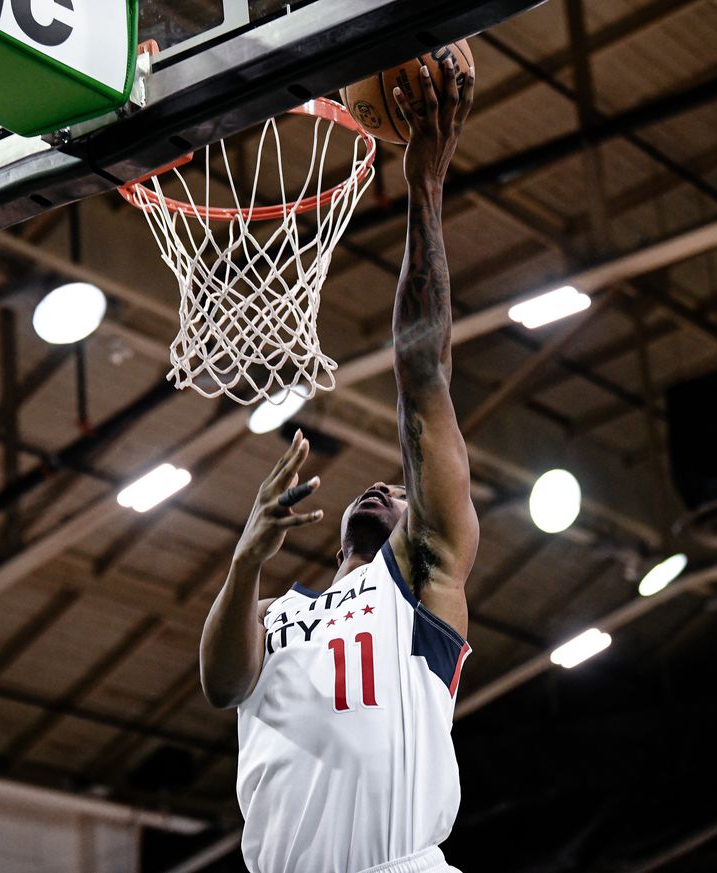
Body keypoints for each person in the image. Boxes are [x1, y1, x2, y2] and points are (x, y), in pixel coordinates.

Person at [199, 59, 479, 873]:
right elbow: (222, 686)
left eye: (402, 493)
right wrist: (246, 560)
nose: (388, 488)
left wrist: (424, 186)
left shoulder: (422, 579)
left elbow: (422, 373)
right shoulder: (277, 611)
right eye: (386, 488)